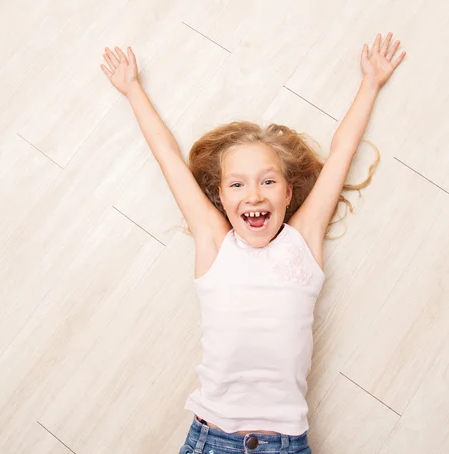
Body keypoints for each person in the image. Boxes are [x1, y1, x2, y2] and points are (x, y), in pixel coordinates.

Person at [100, 32, 405, 454]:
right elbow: (169, 158)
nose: (254, 195)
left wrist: (370, 83)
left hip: (286, 442)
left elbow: (341, 154)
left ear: (288, 193)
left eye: (267, 181)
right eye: (238, 184)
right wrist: (133, 89)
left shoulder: (302, 240)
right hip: (213, 438)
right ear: (221, 199)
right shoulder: (214, 243)